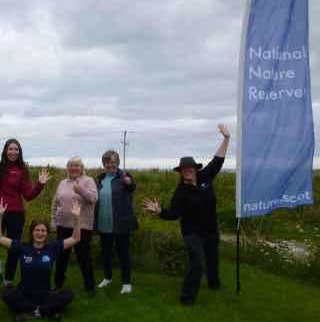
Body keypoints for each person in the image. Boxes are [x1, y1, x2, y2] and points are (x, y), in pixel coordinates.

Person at [143, 124, 230, 306]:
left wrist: (226, 138)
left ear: (195, 169)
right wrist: (159, 211)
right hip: (192, 232)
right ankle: (186, 298)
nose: (187, 171)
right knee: (197, 262)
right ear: (181, 172)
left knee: (213, 259)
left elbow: (218, 160)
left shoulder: (206, 176)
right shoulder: (181, 192)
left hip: (211, 229)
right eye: (184, 169)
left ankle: (214, 284)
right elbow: (173, 214)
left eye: (190, 168)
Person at [0, 139, 50, 305]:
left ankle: (8, 282)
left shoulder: (22, 170)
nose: (13, 152)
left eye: (16, 149)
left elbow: (28, 195)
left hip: (16, 214)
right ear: (5, 151)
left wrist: (40, 184)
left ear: (19, 152)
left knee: (14, 249)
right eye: (10, 149)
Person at [0, 197, 81, 322]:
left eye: (43, 230)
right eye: (37, 230)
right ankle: (46, 312)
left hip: (45, 296)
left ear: (47, 233)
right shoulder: (22, 247)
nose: (40, 233)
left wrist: (77, 218)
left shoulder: (52, 248)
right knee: (7, 294)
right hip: (24, 295)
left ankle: (31, 313)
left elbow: (75, 238)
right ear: (32, 232)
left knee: (68, 294)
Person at [51, 157, 98, 293]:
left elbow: (94, 199)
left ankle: (90, 285)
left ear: (82, 168)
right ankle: (58, 282)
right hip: (63, 225)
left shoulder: (88, 181)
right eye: (70, 165)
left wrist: (80, 190)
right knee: (61, 256)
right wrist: (54, 221)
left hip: (81, 226)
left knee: (83, 256)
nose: (73, 168)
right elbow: (55, 203)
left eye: (76, 165)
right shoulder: (63, 183)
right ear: (67, 168)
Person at [95, 150, 138, 294]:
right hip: (103, 222)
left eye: (113, 162)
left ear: (117, 163)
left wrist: (128, 182)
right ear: (104, 164)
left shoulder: (124, 176)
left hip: (121, 223)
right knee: (106, 253)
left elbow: (131, 186)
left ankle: (126, 282)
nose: (110, 164)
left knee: (123, 253)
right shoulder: (100, 179)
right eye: (107, 162)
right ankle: (108, 278)